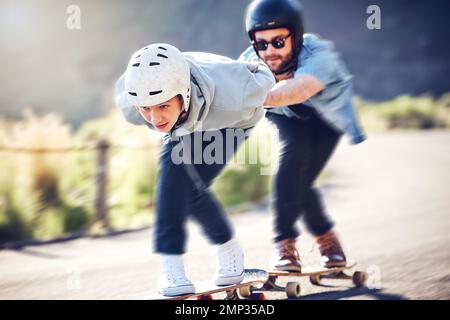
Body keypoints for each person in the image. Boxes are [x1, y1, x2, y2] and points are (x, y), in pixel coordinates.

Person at [115, 43, 275, 296]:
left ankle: (179, 265)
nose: (154, 119)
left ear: (184, 93)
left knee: (176, 179)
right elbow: (153, 111)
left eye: (162, 106)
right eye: (146, 109)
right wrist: (161, 112)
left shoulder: (236, 96)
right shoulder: (131, 98)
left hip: (231, 124)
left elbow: (264, 76)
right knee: (181, 188)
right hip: (184, 122)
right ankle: (222, 252)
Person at [239, 0, 367, 272]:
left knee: (302, 181)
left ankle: (325, 237)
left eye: (278, 42)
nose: (269, 51)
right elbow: (220, 87)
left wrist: (248, 96)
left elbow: (300, 89)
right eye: (261, 44)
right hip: (285, 117)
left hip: (326, 118)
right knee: (293, 156)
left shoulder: (320, 53)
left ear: (295, 36)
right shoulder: (249, 63)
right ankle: (285, 244)